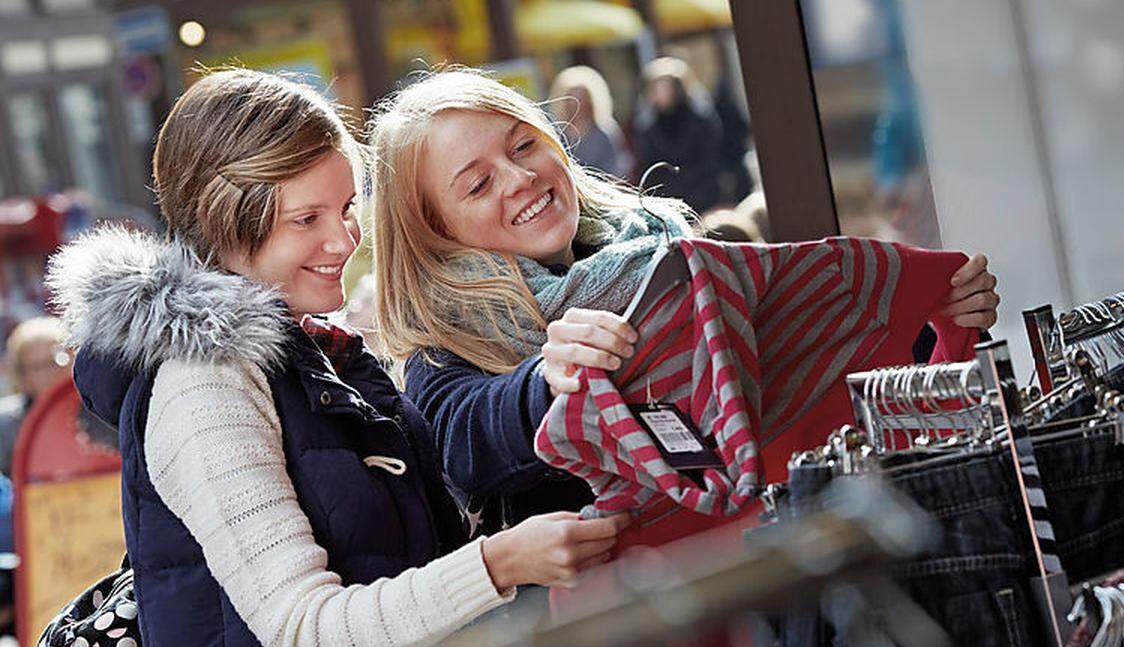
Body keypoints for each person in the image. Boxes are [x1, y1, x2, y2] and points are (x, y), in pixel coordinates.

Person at [46, 68, 628, 647]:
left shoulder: (309, 349)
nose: (344, 239)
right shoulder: (203, 382)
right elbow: (306, 636)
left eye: (347, 208)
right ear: (224, 220)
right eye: (307, 220)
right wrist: (497, 566)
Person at [369, 67, 1001, 527]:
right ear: (431, 230)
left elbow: (793, 347)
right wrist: (547, 384)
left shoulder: (670, 244)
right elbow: (461, 444)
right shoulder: (443, 343)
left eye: (524, 144)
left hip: (800, 565)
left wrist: (927, 319)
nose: (521, 177)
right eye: (478, 184)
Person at [633, 57, 726, 213]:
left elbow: (712, 157)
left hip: (704, 196)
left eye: (664, 87)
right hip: (670, 202)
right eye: (655, 87)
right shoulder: (647, 126)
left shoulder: (700, 119)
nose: (659, 92)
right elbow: (648, 165)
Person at [0, 316, 71, 477]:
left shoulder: (101, 415)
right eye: (40, 366)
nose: (53, 372)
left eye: (59, 360)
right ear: (22, 377)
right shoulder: (5, 428)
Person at [549, 65, 634, 182]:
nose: (578, 103)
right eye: (572, 98)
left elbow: (619, 164)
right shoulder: (556, 134)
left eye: (582, 98)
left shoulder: (605, 130)